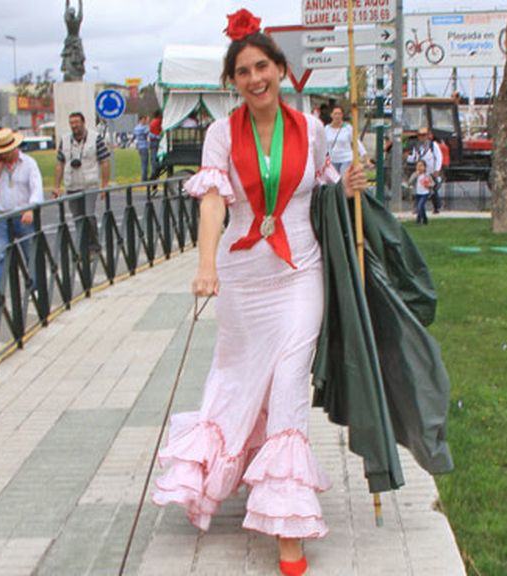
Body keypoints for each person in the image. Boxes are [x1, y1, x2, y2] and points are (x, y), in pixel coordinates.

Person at [149, 10, 367, 576]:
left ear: (280, 69)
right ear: (233, 82)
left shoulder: (311, 128)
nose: (254, 78)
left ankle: (288, 525)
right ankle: (246, 477)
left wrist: (345, 188)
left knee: (291, 379)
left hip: (300, 273)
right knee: (243, 379)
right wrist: (204, 267)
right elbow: (214, 201)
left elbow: (317, 192)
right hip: (243, 278)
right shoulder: (222, 134)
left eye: (262, 66)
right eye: (242, 71)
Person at [0, 128, 44, 302]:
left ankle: (35, 288)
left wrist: (31, 208)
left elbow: (37, 188)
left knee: (30, 253)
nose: (2, 156)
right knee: (0, 255)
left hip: (23, 215)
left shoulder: (29, 163)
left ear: (14, 148)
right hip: (2, 216)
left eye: (5, 153)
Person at [53, 111, 111, 255]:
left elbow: (105, 162)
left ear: (83, 122)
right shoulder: (65, 140)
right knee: (78, 218)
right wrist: (56, 186)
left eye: (76, 123)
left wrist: (104, 186)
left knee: (88, 215)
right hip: (72, 184)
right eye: (71, 123)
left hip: (89, 184)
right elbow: (60, 163)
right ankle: (83, 246)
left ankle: (92, 247)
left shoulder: (95, 138)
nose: (74, 126)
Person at [407, 126, 443, 211]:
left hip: (431, 172)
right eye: (420, 135)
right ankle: (417, 207)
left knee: (433, 189)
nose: (421, 137)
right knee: (419, 189)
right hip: (421, 171)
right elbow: (415, 157)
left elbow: (439, 157)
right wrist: (407, 158)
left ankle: (437, 206)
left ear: (427, 135)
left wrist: (437, 169)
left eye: (423, 135)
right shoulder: (417, 146)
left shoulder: (433, 145)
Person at [323, 104, 367, 174]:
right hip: (332, 159)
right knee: (334, 183)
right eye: (335, 114)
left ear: (342, 115)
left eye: (339, 114)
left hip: (346, 159)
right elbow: (323, 145)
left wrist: (365, 157)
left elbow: (356, 142)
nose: (337, 116)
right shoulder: (326, 129)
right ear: (331, 115)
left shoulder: (348, 128)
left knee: (345, 178)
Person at [408, 159, 433, 225]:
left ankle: (418, 220)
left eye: (421, 166)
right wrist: (416, 175)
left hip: (425, 193)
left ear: (424, 167)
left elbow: (432, 183)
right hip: (418, 193)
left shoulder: (427, 175)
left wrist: (429, 185)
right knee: (422, 207)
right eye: (418, 166)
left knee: (419, 206)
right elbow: (410, 182)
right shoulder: (415, 174)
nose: (419, 167)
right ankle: (425, 219)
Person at [133, 114, 151, 181]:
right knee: (145, 163)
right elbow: (148, 132)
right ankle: (144, 178)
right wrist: (148, 123)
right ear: (140, 120)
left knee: (143, 162)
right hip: (144, 146)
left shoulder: (136, 128)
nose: (145, 121)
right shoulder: (143, 128)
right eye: (144, 119)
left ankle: (144, 177)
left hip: (139, 147)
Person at [148, 110, 163, 178]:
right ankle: (155, 171)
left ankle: (153, 171)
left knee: (153, 157)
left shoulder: (152, 121)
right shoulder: (159, 120)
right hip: (156, 140)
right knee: (157, 158)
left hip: (152, 141)